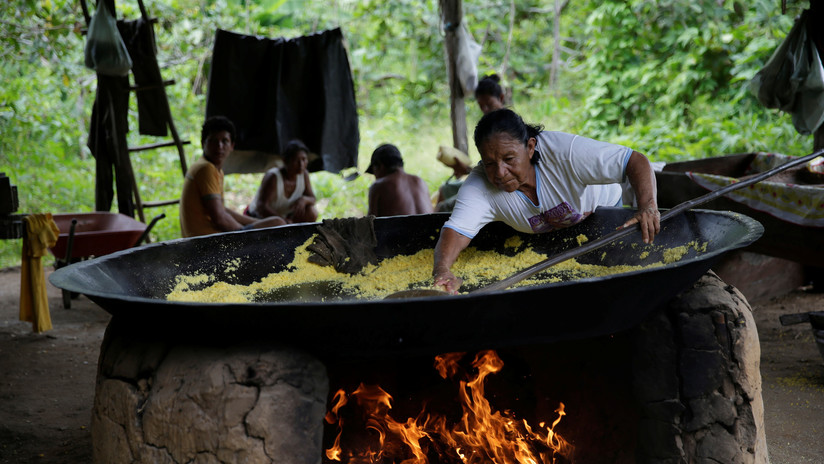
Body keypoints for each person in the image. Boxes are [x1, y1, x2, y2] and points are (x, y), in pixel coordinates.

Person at [432, 108, 660, 294]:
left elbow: (635, 160)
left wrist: (648, 207)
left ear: (530, 147)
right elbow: (457, 230)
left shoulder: (565, 154)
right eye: (490, 163)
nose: (500, 172)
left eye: (509, 159)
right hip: (550, 236)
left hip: (603, 212)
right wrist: (442, 270)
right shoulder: (480, 186)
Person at [179, 116, 287, 238]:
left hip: (204, 239)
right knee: (278, 223)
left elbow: (222, 210)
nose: (219, 146)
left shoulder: (212, 168)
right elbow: (219, 219)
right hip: (205, 243)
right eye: (213, 141)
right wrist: (244, 234)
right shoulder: (206, 169)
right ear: (203, 143)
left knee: (274, 223)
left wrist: (254, 223)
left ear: (232, 146)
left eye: (224, 141)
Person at [435, 73, 508, 212]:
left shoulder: (506, 128)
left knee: (441, 208)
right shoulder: (489, 126)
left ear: (501, 98)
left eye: (489, 104)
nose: (485, 110)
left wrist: (467, 170)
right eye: (481, 106)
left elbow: (500, 172)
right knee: (445, 189)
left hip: (495, 187)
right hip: (487, 181)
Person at [246, 139, 318, 224]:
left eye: (304, 159)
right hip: (259, 218)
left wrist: (304, 199)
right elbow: (262, 207)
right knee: (280, 223)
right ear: (285, 160)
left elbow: (312, 198)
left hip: (283, 218)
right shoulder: (273, 177)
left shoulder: (303, 174)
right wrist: (283, 220)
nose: (301, 165)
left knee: (311, 211)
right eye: (296, 160)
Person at [367, 143, 433, 217]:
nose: (375, 176)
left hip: (400, 228)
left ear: (380, 166)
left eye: (373, 172)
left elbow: (370, 225)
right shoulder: (420, 182)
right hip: (431, 228)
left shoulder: (378, 186)